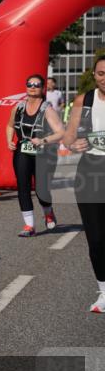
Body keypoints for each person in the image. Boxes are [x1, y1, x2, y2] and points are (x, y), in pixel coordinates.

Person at [62, 55, 105, 313]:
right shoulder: (84, 101)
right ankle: (103, 291)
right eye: (100, 73)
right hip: (90, 170)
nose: (104, 78)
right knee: (97, 238)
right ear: (94, 74)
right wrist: (72, 143)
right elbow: (68, 136)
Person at [6, 74, 66, 236]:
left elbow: (61, 132)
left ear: (43, 88)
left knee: (41, 190)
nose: (33, 87)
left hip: (43, 152)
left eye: (37, 85)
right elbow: (10, 125)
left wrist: (43, 140)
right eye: (29, 84)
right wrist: (9, 140)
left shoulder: (47, 109)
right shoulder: (18, 107)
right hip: (23, 150)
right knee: (23, 186)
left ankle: (48, 212)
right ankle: (29, 226)